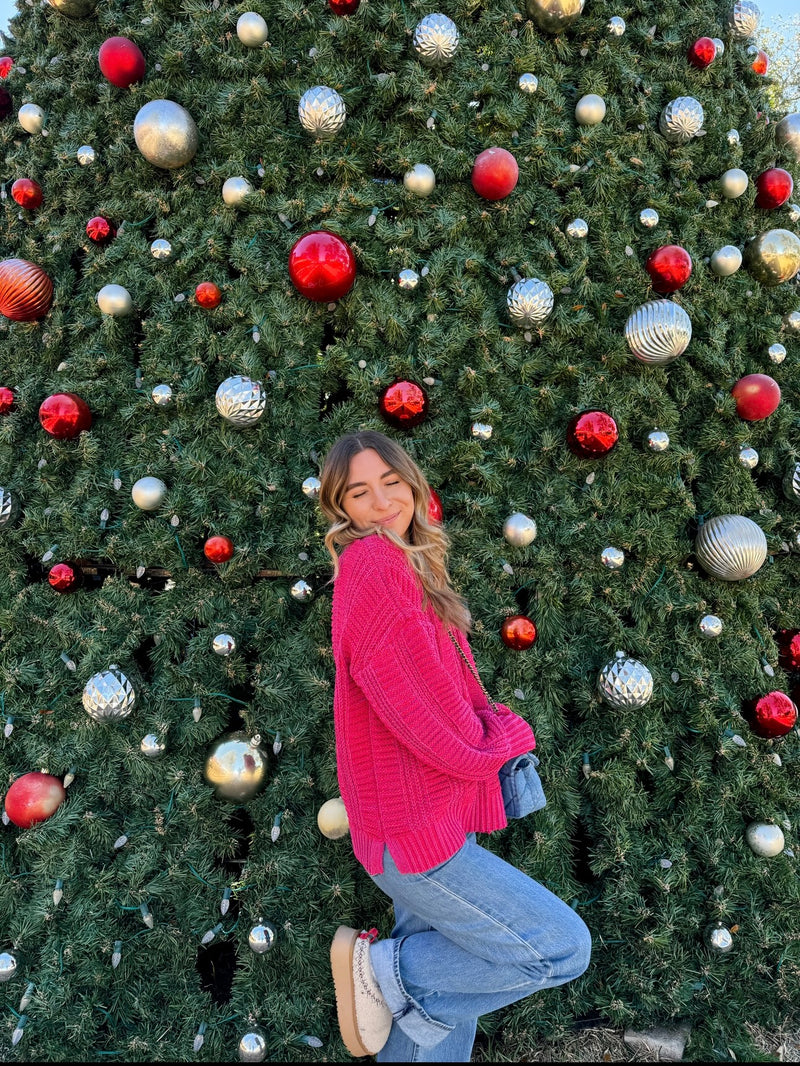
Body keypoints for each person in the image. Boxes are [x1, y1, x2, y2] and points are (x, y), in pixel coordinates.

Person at [318, 429, 591, 1063]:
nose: (383, 502)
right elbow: (423, 718)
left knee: (438, 1016)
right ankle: (382, 972)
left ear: (411, 482)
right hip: (414, 832)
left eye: (391, 482)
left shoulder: (404, 563)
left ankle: (393, 984)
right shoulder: (377, 567)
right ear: (342, 509)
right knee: (559, 948)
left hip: (428, 814)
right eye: (361, 492)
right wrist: (501, 737)